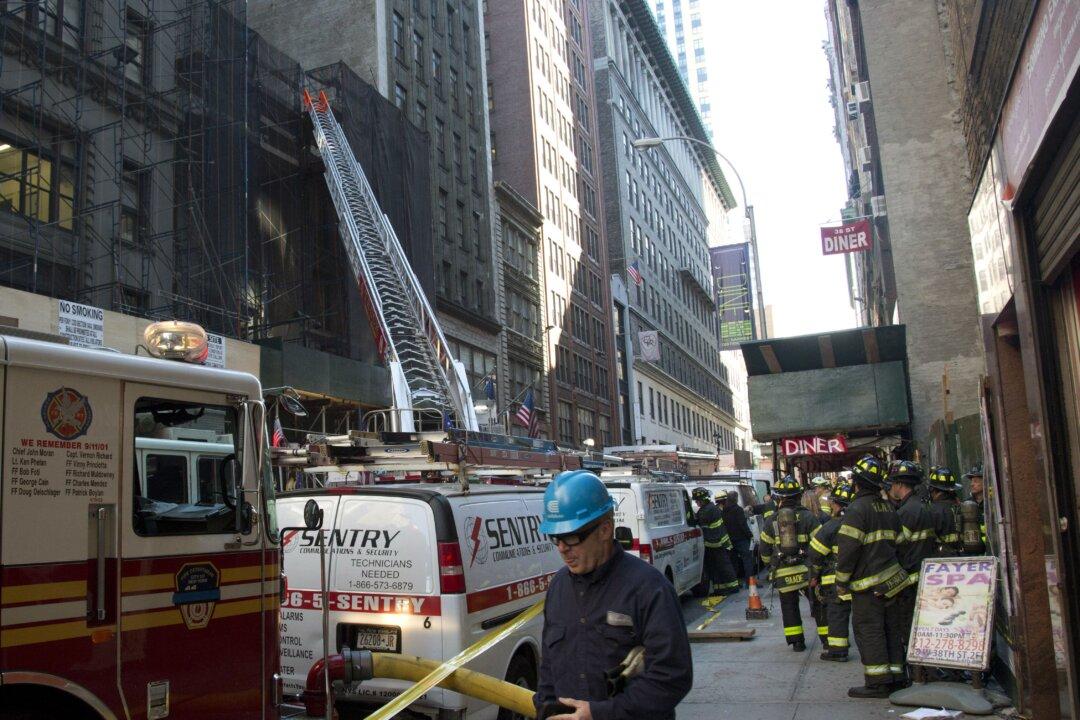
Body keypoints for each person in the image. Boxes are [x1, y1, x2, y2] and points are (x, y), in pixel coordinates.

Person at [535, 470, 692, 720]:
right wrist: (545, 708)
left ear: (605, 530)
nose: (562, 548)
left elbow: (673, 677)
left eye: (572, 537)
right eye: (556, 538)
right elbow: (548, 670)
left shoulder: (649, 588)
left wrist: (600, 713)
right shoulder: (559, 588)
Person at [836, 455, 911, 698]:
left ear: (857, 482)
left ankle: (878, 683)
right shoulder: (889, 507)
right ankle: (897, 676)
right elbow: (901, 543)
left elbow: (848, 551)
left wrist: (841, 581)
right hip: (892, 583)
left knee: (869, 630)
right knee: (891, 628)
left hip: (868, 587)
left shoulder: (857, 509)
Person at [759, 475, 824, 651]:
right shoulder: (809, 517)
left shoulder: (771, 520)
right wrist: (817, 568)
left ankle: (797, 642)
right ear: (798, 496)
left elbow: (764, 550)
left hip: (783, 572)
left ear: (779, 498)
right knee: (818, 605)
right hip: (807, 572)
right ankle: (827, 639)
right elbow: (821, 544)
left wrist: (770, 565)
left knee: (789, 607)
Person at [887, 460, 936, 653]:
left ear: (899, 485)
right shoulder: (921, 505)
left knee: (908, 623)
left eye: (892, 484)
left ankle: (914, 660)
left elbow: (898, 547)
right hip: (923, 572)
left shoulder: (906, 512)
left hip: (911, 577)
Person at [808, 482, 856, 661]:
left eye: (834, 503)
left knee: (837, 614)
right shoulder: (862, 522)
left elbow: (815, 554)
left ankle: (838, 651)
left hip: (835, 579)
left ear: (837, 505)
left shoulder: (832, 526)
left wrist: (814, 575)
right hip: (861, 578)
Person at [692, 487, 740, 598]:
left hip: (717, 543)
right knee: (716, 568)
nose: (696, 503)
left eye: (697, 501)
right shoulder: (709, 508)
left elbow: (698, 521)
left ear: (701, 500)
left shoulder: (706, 511)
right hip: (715, 543)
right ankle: (720, 589)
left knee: (723, 566)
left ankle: (733, 587)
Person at [720, 490, 755, 585]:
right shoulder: (738, 509)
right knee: (747, 559)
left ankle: (734, 582)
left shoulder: (724, 510)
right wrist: (750, 535)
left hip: (730, 539)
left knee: (733, 561)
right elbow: (742, 524)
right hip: (741, 539)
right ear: (736, 498)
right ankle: (750, 581)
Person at [927, 467, 963, 556]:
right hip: (964, 556)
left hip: (941, 560)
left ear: (933, 490)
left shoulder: (932, 510)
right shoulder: (961, 507)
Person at [963, 464, 987, 550]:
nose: (972, 484)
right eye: (971, 481)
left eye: (976, 481)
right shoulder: (967, 505)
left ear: (986, 482)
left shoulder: (993, 503)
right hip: (975, 551)